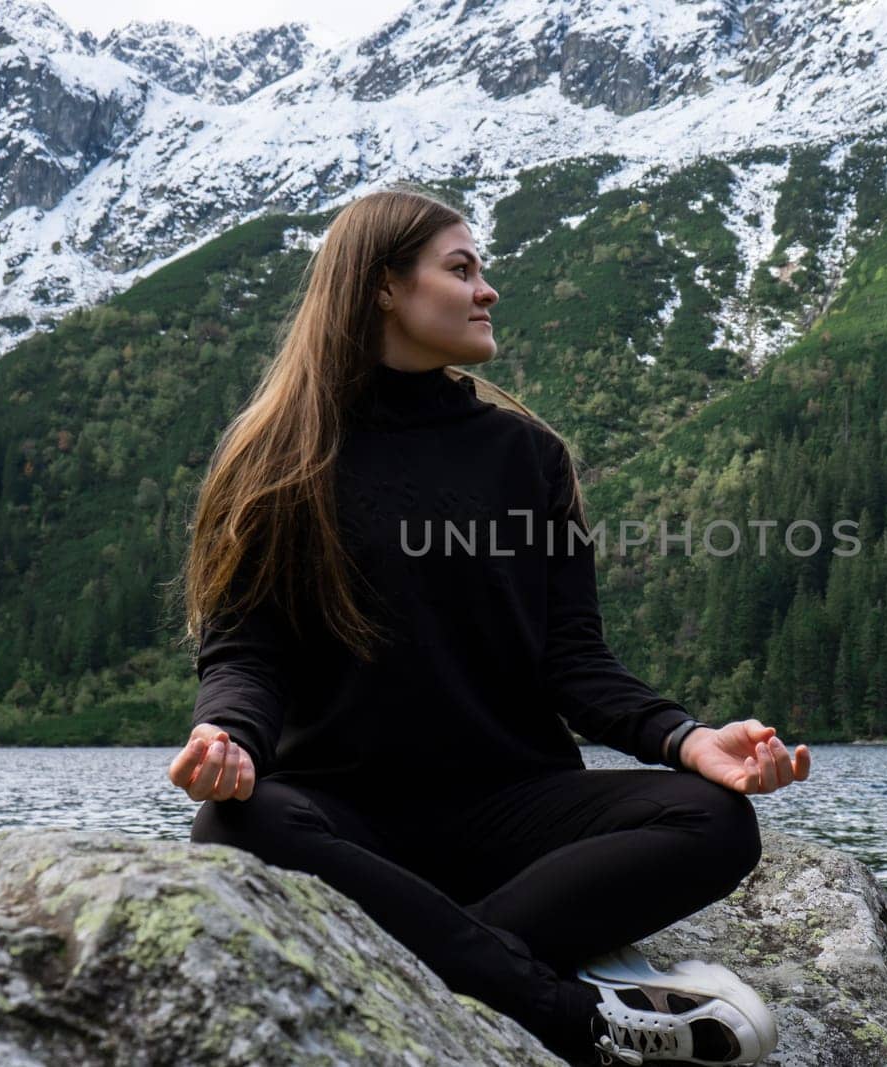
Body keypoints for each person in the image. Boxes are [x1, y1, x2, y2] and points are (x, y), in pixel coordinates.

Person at [165, 185, 810, 1066]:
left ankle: (435, 960)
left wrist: (690, 740)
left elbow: (574, 662)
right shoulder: (278, 458)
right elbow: (248, 653)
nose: (487, 289)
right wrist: (227, 734)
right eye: (460, 269)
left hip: (513, 814)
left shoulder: (525, 455)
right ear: (383, 286)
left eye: (483, 270)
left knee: (717, 820)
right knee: (235, 824)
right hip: (347, 818)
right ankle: (572, 1013)